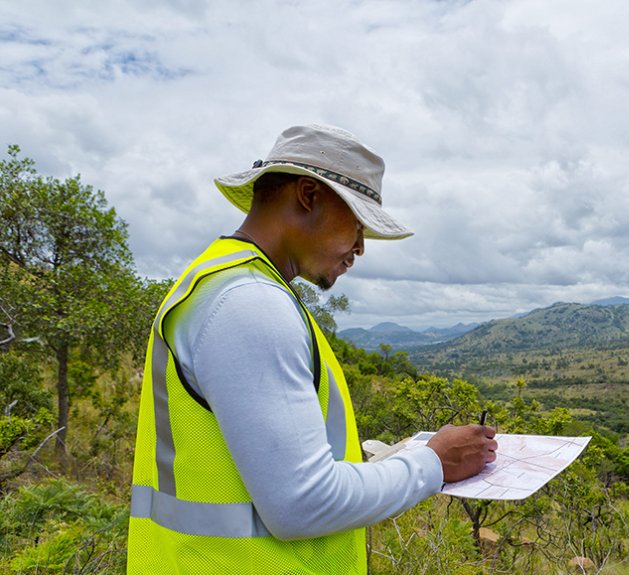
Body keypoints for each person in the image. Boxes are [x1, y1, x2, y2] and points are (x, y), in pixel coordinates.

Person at [127, 124, 498, 574]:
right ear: (308, 195)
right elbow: (302, 504)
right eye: (358, 224)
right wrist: (433, 463)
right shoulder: (250, 303)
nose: (360, 248)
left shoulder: (225, 286)